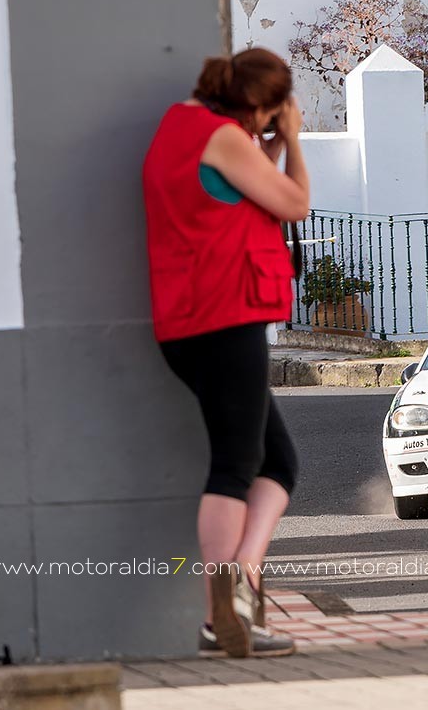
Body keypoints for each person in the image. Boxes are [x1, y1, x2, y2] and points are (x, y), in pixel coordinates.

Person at [142, 48, 310, 659]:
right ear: (259, 106)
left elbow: (232, 195)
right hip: (226, 318)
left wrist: (261, 139)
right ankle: (226, 611)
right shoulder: (223, 137)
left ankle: (240, 595)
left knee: (277, 463)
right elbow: (292, 203)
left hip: (186, 324)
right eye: (269, 115)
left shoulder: (180, 128)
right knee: (237, 465)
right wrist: (291, 139)